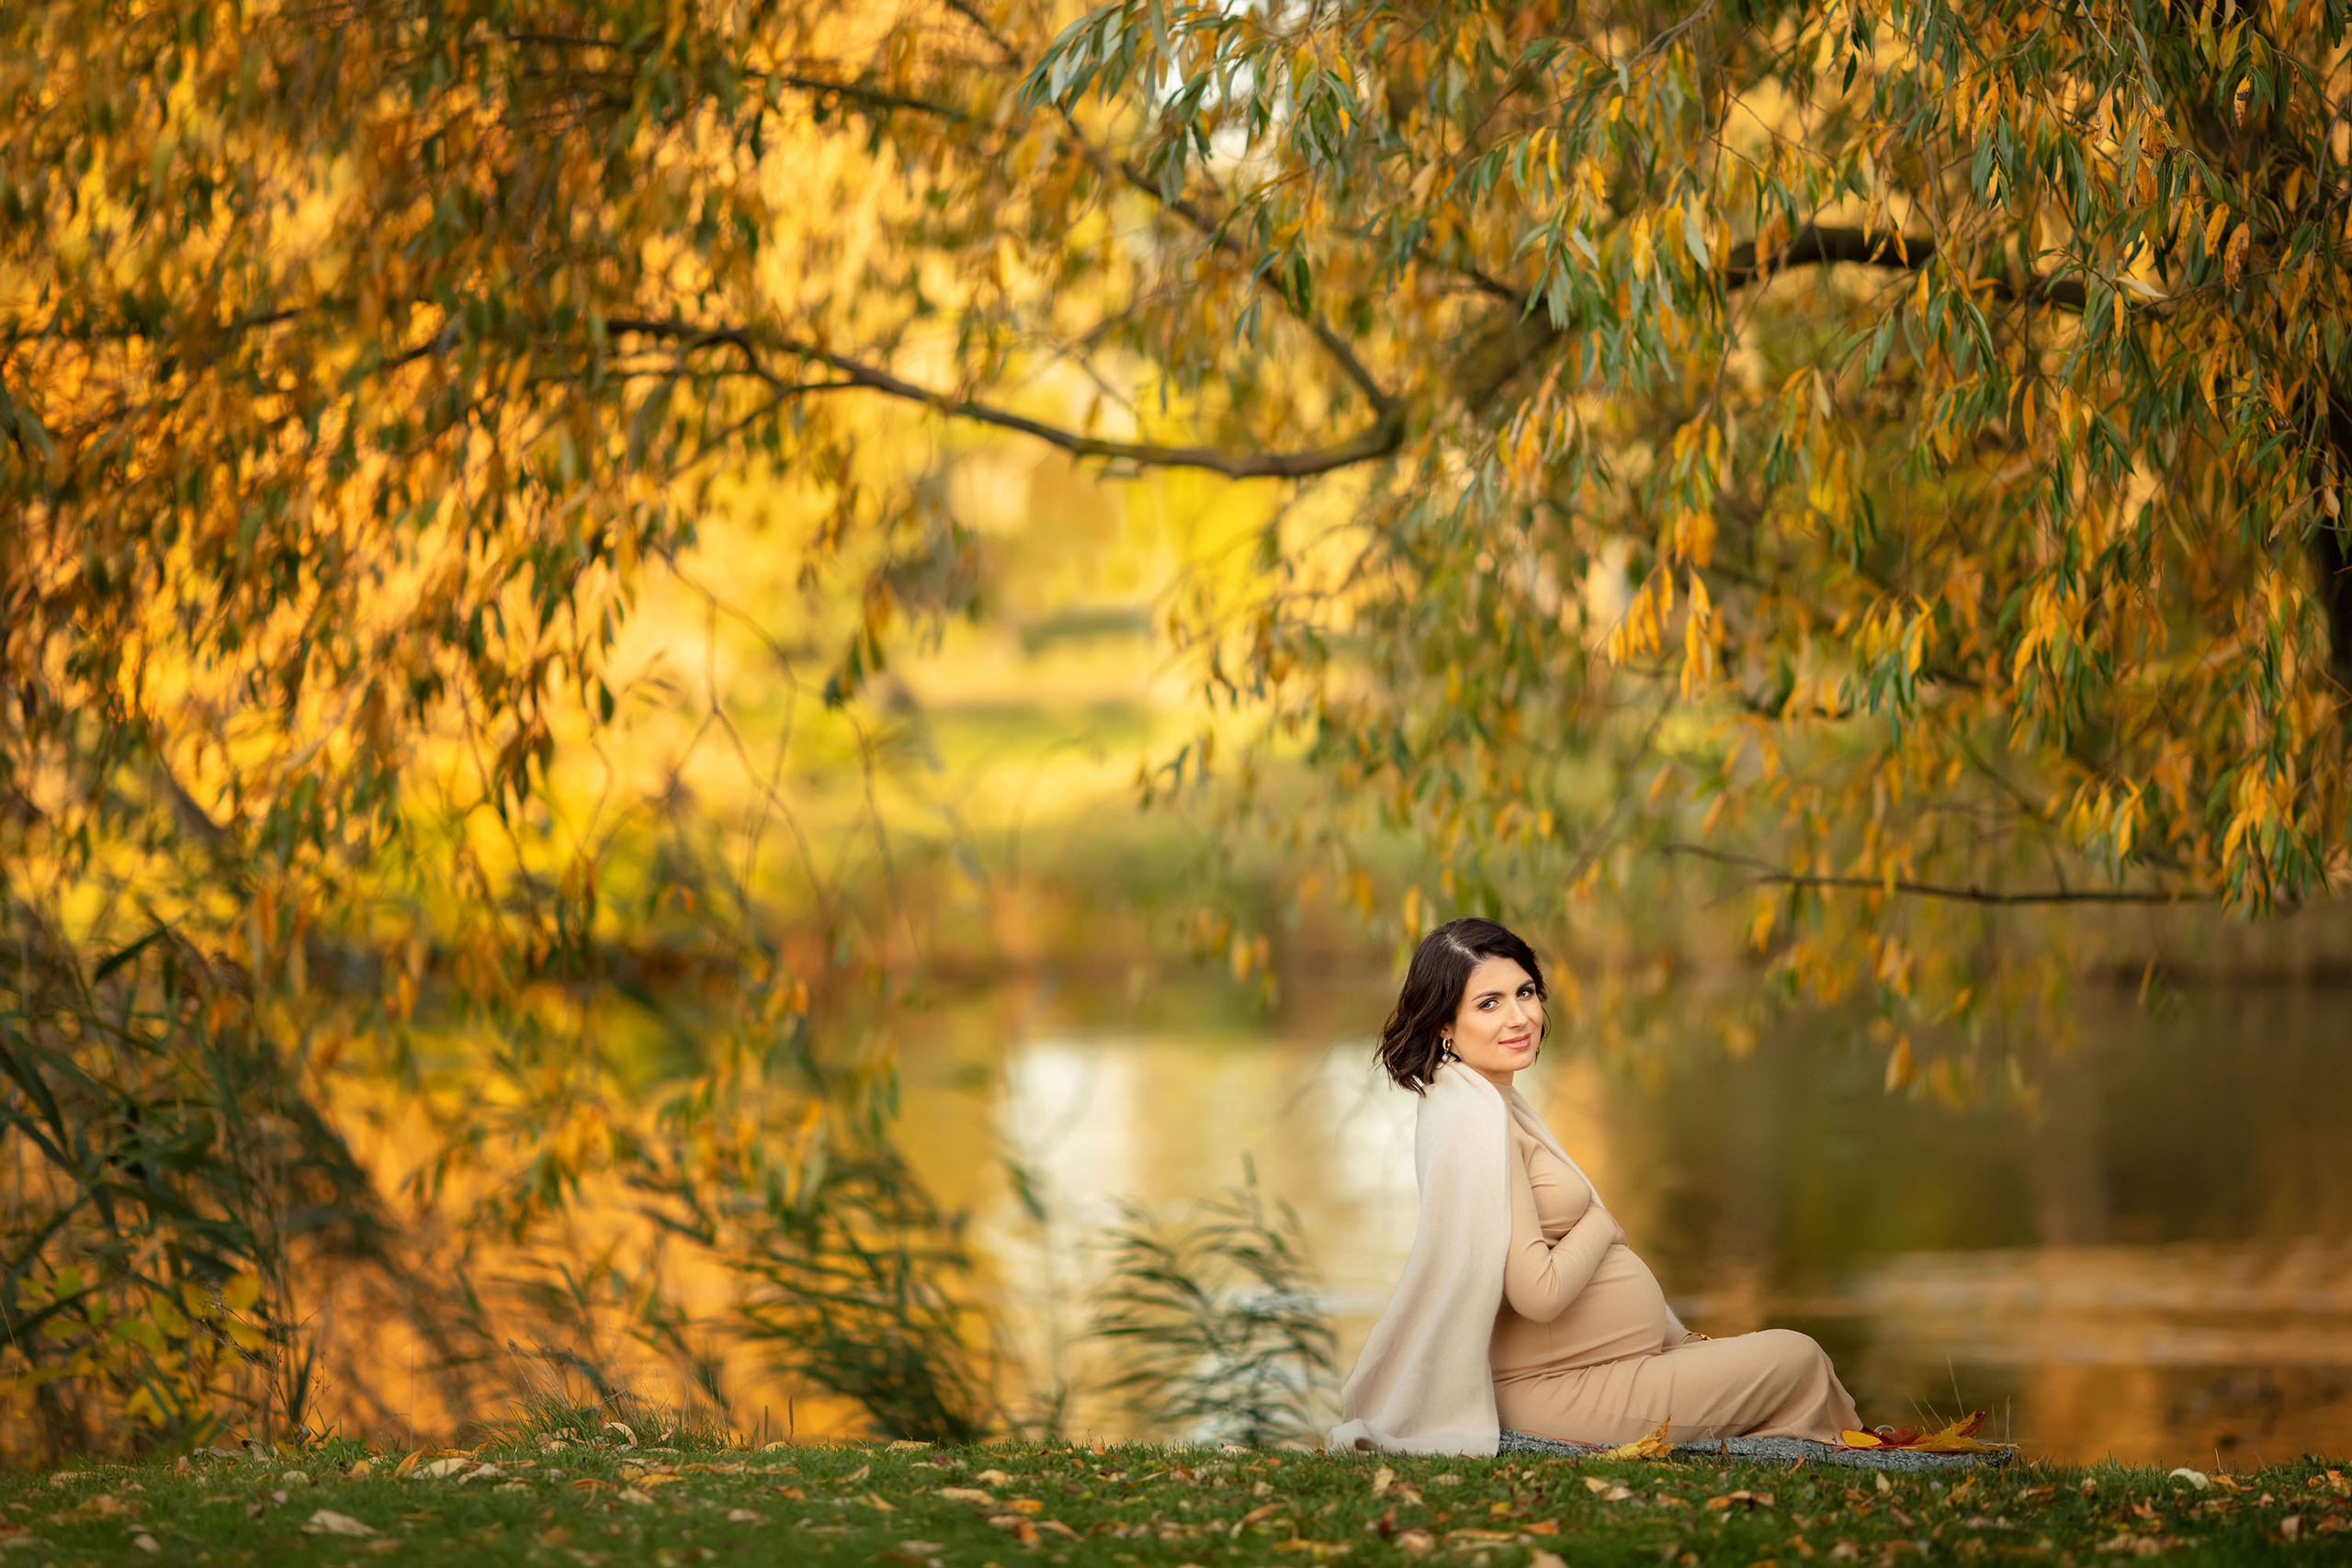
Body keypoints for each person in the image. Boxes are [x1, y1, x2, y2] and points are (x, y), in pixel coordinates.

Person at [1328, 917, 1861, 1456]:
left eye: (1526, 993)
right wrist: (1602, 1225)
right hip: (1553, 1393)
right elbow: (1539, 1293)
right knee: (1797, 1358)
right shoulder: (1477, 1125)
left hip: (1596, 1368)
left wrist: (1673, 1340)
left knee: (1791, 1357)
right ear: (1445, 1024)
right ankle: (1846, 1458)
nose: (1519, 1018)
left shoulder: (1484, 1104)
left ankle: (1825, 1445)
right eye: (1489, 1004)